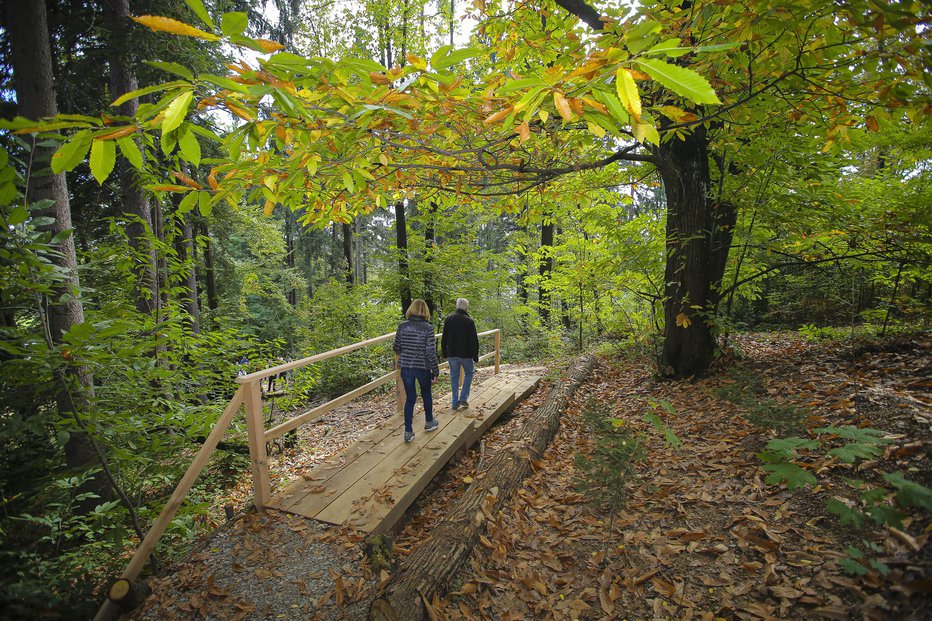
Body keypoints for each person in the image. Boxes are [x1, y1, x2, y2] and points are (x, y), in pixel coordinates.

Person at [393, 299, 440, 442]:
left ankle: (408, 431)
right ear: (425, 311)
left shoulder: (402, 326)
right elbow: (430, 352)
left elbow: (396, 347)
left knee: (410, 398)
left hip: (406, 367)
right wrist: (435, 371)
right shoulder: (428, 328)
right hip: (422, 367)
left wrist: (407, 353)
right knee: (426, 394)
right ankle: (429, 422)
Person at [441, 297, 479, 410]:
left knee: (454, 377)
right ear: (466, 307)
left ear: (457, 306)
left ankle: (454, 402)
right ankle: (463, 398)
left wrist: (444, 351)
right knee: (469, 373)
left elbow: (444, 337)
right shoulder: (469, 321)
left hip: (452, 353)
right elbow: (473, 340)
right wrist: (475, 355)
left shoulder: (449, 319)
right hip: (466, 355)